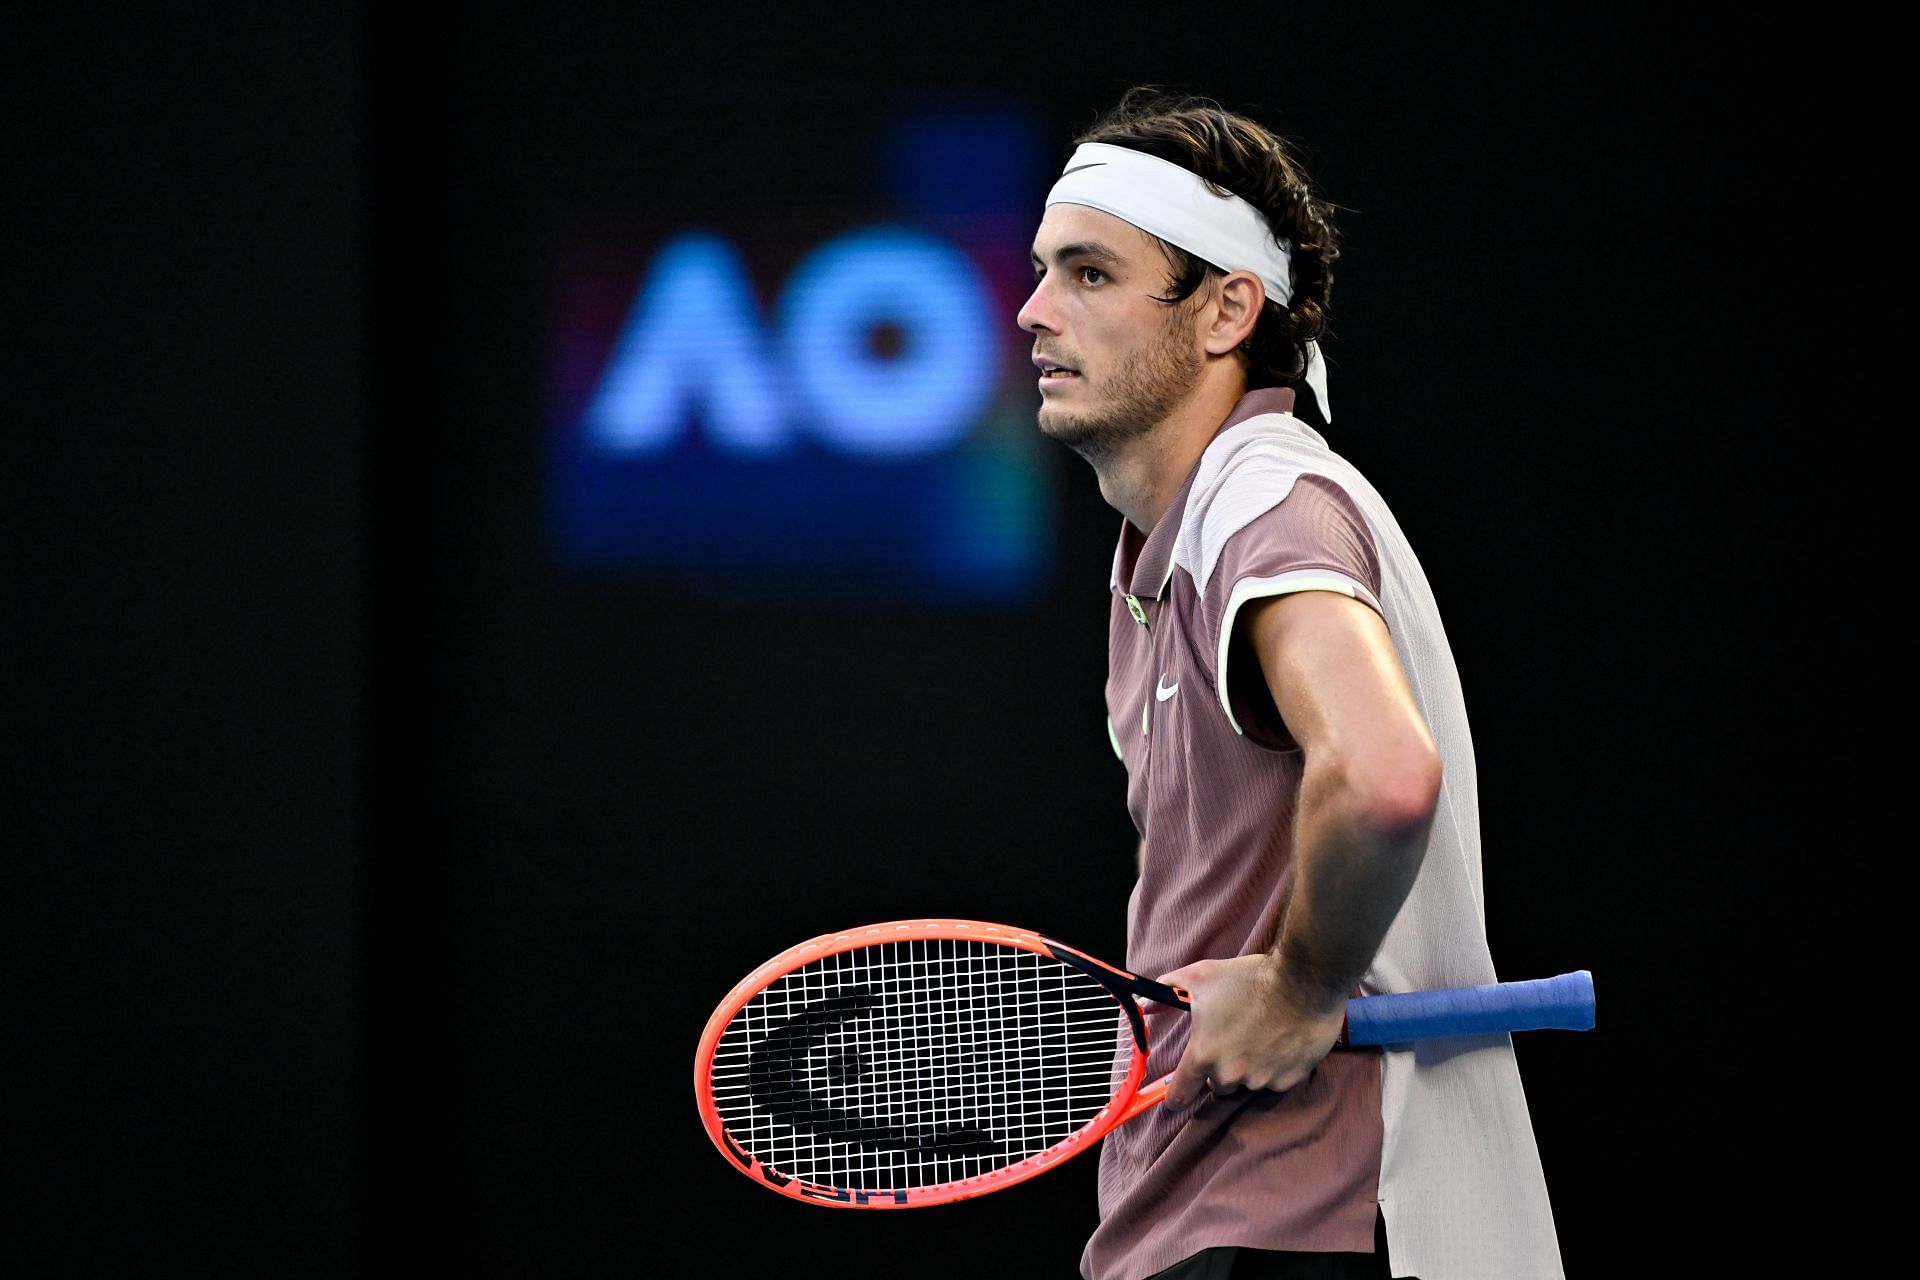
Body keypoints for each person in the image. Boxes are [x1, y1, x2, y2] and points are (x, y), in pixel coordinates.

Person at [1016, 90, 1563, 1280]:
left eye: (1092, 274)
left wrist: (1301, 984)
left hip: (1305, 1222)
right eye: (1046, 269)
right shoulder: (1172, 555)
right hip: (1224, 1217)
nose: (1034, 309)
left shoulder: (1260, 499)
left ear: (1225, 311)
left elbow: (1383, 774)